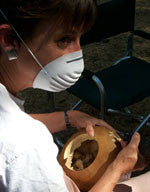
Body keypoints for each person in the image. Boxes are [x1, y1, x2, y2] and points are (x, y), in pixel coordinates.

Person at [0, 0, 149, 192]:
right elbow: (16, 139)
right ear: (10, 39)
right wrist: (117, 167)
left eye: (80, 38)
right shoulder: (27, 148)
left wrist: (71, 117)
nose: (78, 54)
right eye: (64, 40)